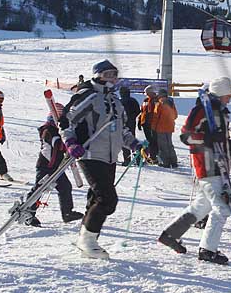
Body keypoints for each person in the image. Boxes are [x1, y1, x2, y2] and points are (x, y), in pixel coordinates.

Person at [158, 77, 231, 264]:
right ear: (220, 93)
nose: (230, 98)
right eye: (228, 95)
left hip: (218, 166)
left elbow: (220, 140)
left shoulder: (220, 112)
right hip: (208, 166)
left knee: (202, 206)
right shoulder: (202, 109)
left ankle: (171, 235)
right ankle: (208, 249)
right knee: (222, 207)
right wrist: (208, 139)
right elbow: (186, 136)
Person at [61, 60, 147, 259]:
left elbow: (122, 130)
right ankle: (87, 241)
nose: (112, 79)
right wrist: (71, 142)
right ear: (97, 75)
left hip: (110, 156)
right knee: (107, 199)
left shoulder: (115, 101)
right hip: (90, 154)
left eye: (114, 75)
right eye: (107, 74)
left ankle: (87, 239)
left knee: (96, 198)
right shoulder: (88, 96)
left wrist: (134, 145)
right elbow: (67, 121)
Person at [22, 102, 84, 226]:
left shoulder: (60, 131)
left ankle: (67, 213)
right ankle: (28, 213)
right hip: (46, 166)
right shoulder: (48, 129)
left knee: (65, 187)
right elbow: (52, 145)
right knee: (39, 190)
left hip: (56, 168)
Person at [152, 89, 179, 168]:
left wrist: (153, 128)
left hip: (160, 128)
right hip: (170, 128)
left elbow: (155, 117)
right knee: (169, 145)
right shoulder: (171, 103)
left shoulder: (159, 104)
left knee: (162, 146)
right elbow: (175, 115)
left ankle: (165, 162)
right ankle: (174, 162)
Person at [118, 86, 141, 165]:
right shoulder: (133, 100)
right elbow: (138, 111)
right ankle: (138, 159)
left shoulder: (119, 101)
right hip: (132, 122)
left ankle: (127, 160)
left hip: (123, 123)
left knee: (125, 140)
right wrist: (133, 117)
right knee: (133, 139)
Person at [138, 85, 160, 163]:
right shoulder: (145, 100)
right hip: (145, 123)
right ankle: (150, 155)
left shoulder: (156, 101)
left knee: (153, 141)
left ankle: (153, 156)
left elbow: (155, 113)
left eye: (147, 93)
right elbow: (143, 112)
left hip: (152, 124)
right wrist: (139, 121)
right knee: (149, 140)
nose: (146, 94)